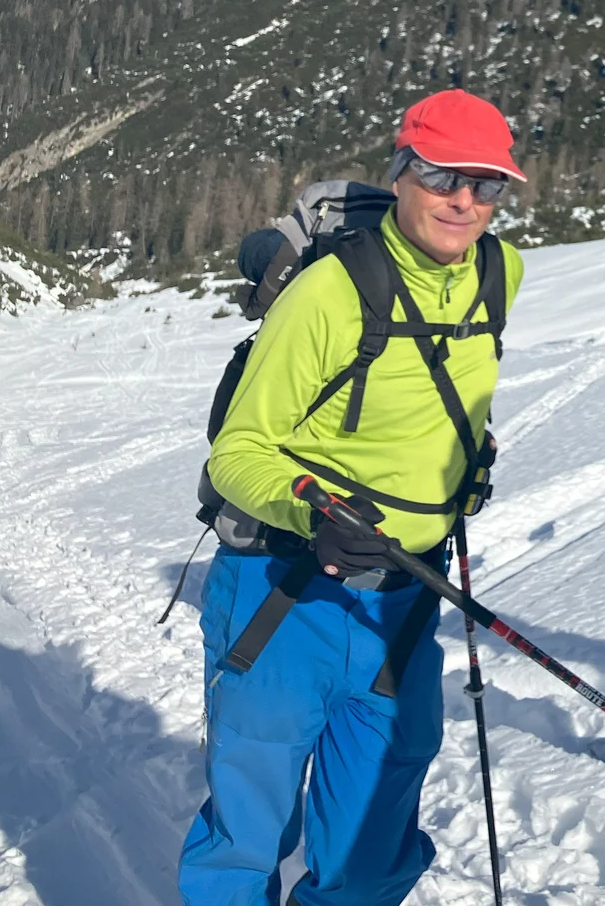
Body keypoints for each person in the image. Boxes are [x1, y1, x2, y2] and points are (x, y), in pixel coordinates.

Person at [179, 89, 526, 906]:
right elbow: (238, 452)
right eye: (445, 177)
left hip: (406, 601)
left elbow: (442, 395)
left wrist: (467, 459)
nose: (465, 202)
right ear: (403, 171)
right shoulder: (330, 292)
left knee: (371, 852)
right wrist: (313, 513)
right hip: (282, 594)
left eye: (488, 185)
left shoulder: (498, 273)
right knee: (248, 836)